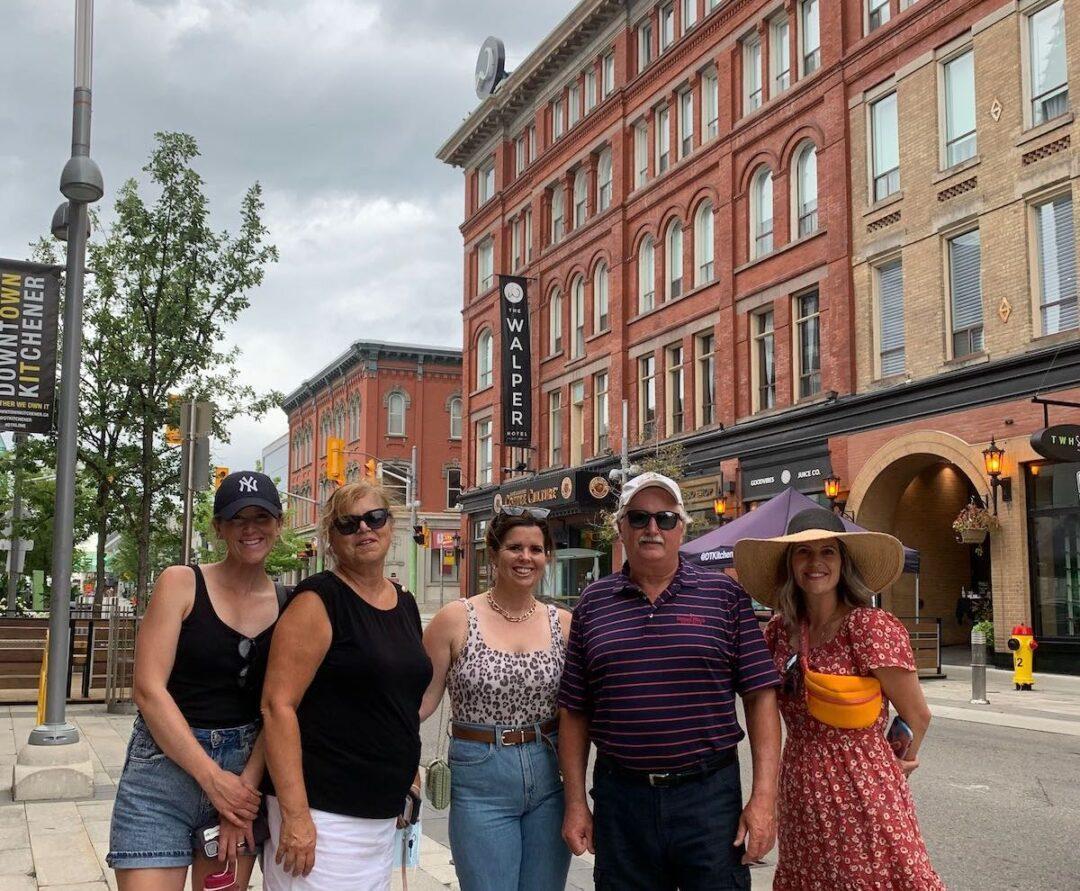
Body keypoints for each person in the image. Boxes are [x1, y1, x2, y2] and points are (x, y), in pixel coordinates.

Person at [558, 472, 782, 890]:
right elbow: (574, 711)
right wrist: (575, 803)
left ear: (682, 527)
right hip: (622, 800)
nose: (652, 528)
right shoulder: (592, 604)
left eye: (665, 518)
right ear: (621, 528)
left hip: (708, 799)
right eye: (638, 518)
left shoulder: (725, 596)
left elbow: (760, 697)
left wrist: (764, 798)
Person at [734, 507, 943, 890]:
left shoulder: (868, 627)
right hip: (799, 788)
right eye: (803, 552)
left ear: (843, 562)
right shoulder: (780, 631)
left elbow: (917, 714)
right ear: (790, 564)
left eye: (827, 551)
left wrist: (893, 764)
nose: (816, 562)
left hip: (863, 790)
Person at [107, 471, 285, 890]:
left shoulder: (289, 604)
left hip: (243, 772)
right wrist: (212, 778)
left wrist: (241, 794)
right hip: (162, 773)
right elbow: (148, 690)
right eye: (237, 518)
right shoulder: (181, 583)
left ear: (279, 524)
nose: (250, 529)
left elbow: (280, 707)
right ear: (218, 527)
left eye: (261, 517)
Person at [261, 480, 432, 890]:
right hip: (324, 815)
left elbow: (398, 699)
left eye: (375, 517)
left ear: (391, 524)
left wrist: (408, 774)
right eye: (348, 523)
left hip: (380, 815)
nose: (364, 529)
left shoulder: (404, 602)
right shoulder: (318, 600)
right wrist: (296, 816)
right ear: (331, 538)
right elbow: (277, 706)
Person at [421, 507, 572, 891]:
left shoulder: (563, 623)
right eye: (514, 547)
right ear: (493, 553)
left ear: (546, 557)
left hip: (549, 773)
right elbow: (418, 704)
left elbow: (579, 710)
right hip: (480, 777)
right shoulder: (456, 619)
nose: (526, 557)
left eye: (536, 549)